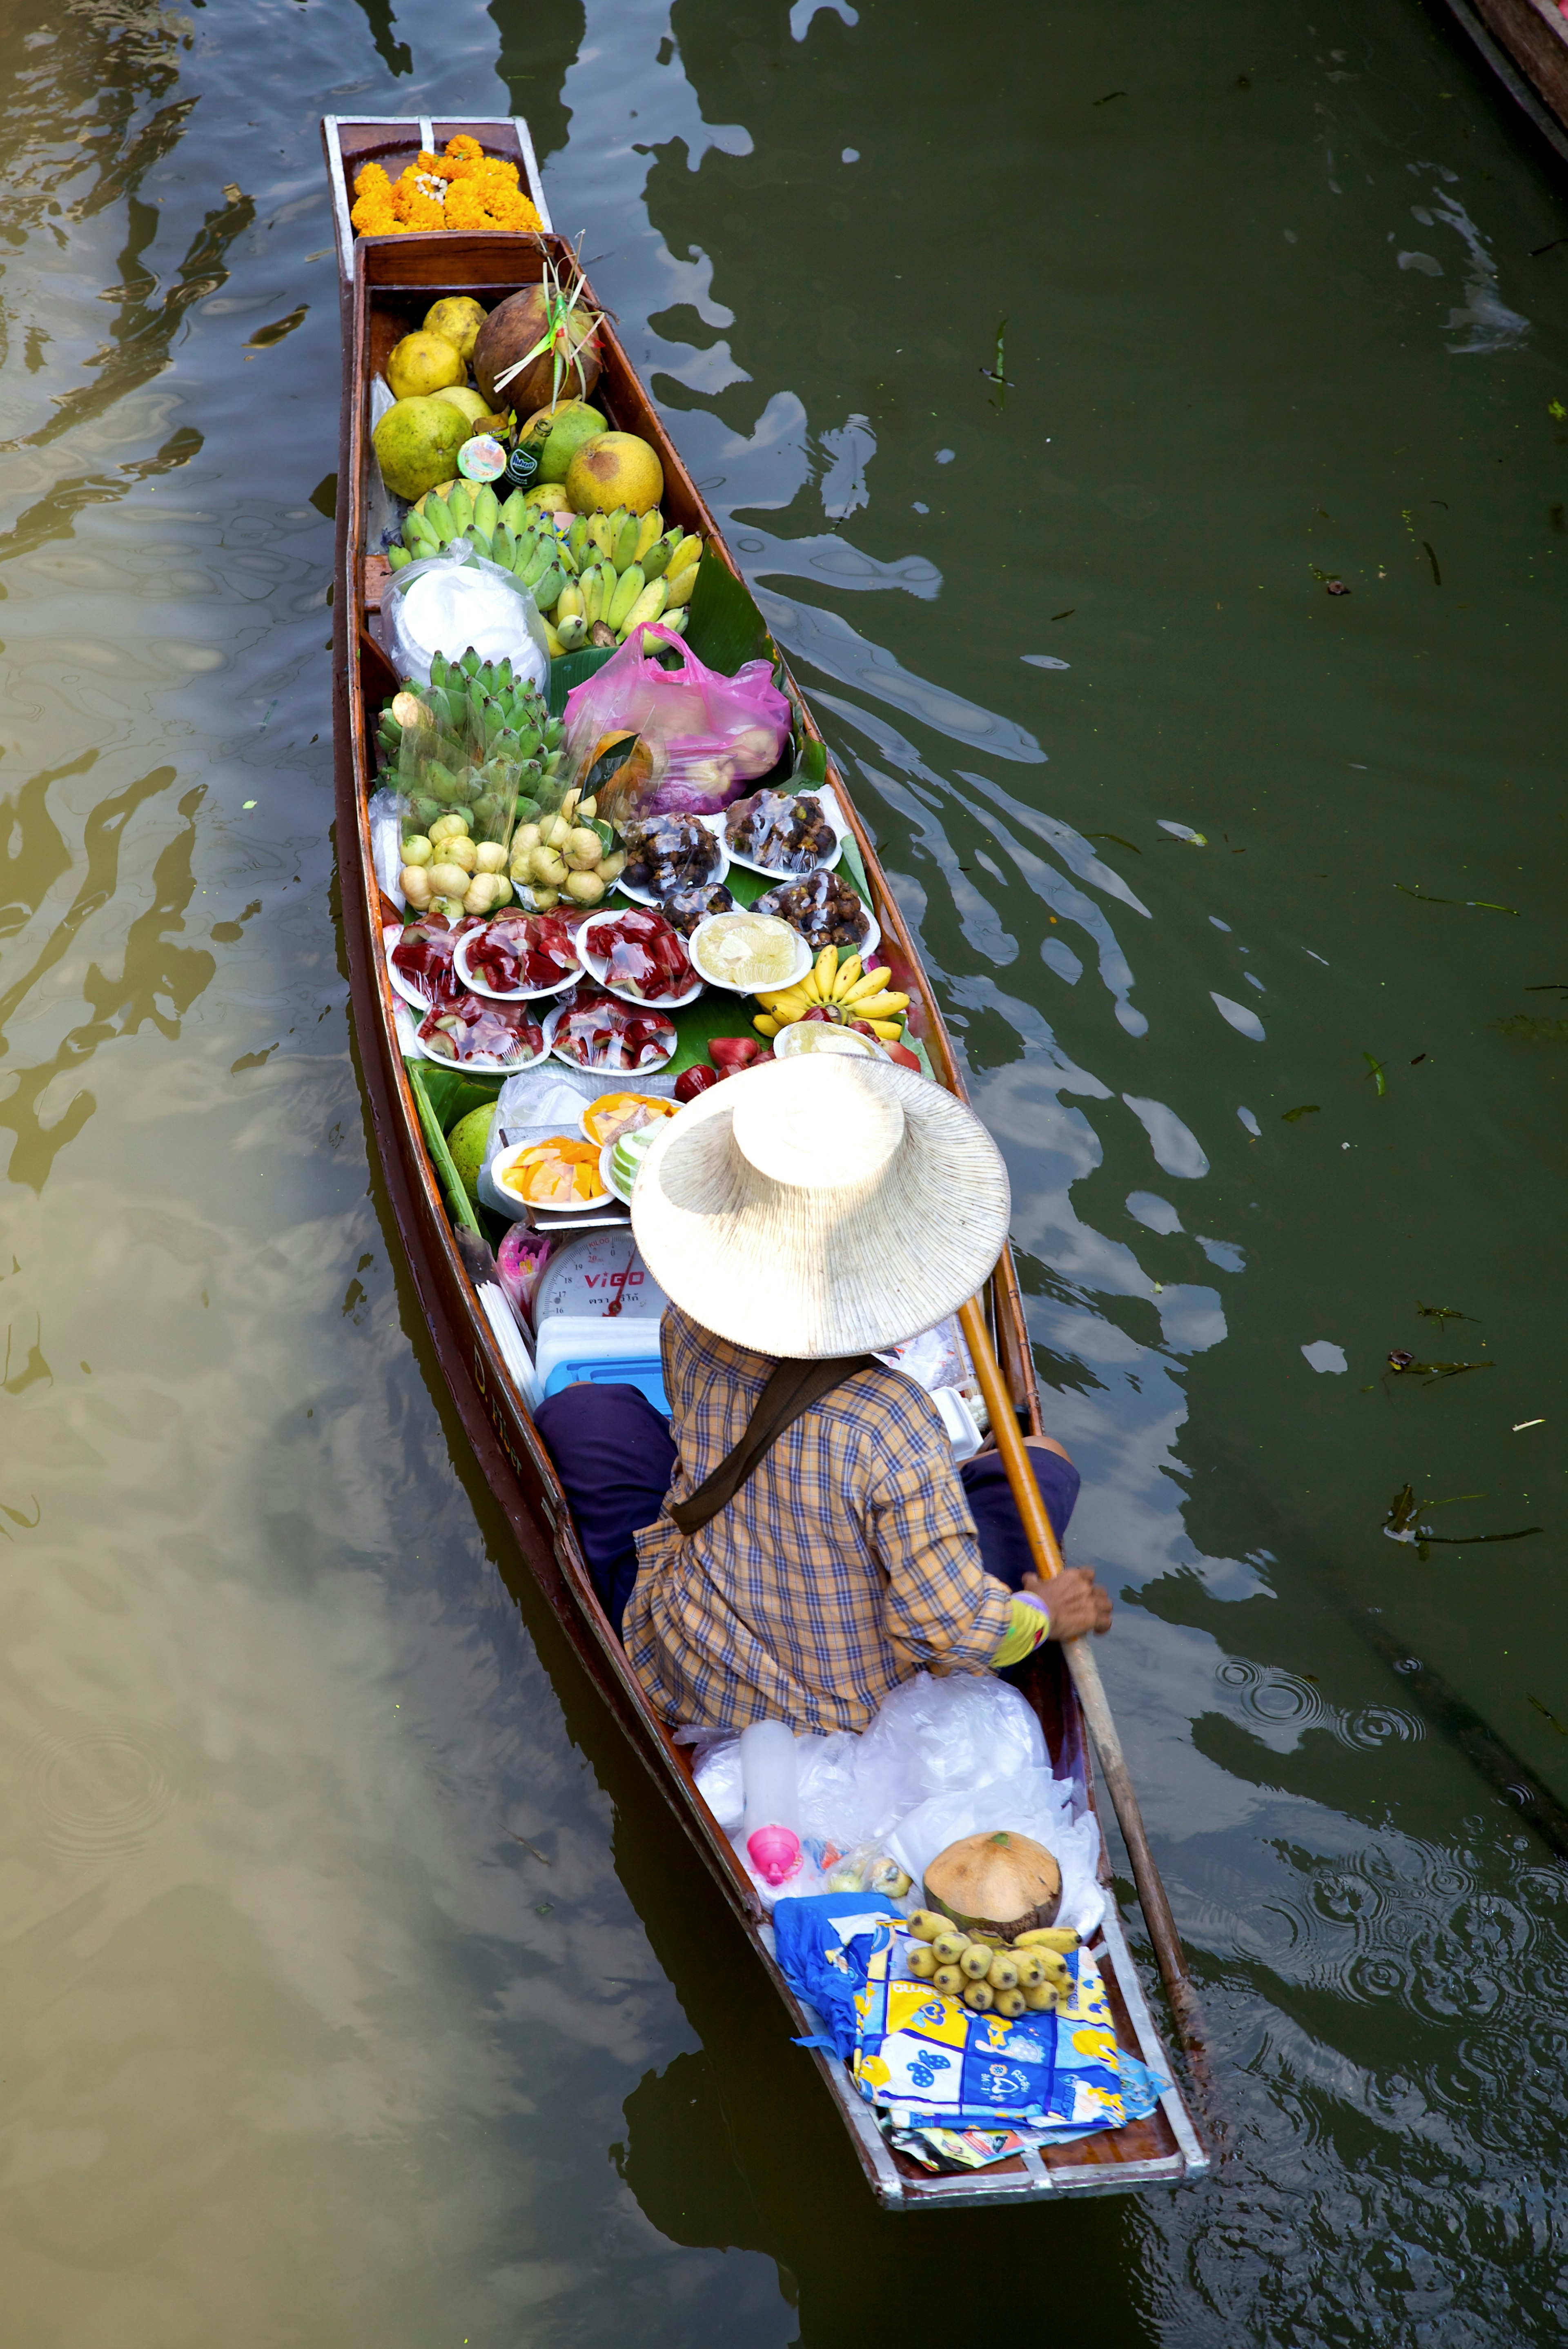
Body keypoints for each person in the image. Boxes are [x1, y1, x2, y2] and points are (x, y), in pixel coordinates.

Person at [535, 1052, 1111, 1734]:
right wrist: (1046, 1611)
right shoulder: (892, 1419)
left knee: (585, 1413)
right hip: (844, 1711)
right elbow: (945, 1630)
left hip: (691, 1660)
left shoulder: (689, 1322)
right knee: (1040, 1457)